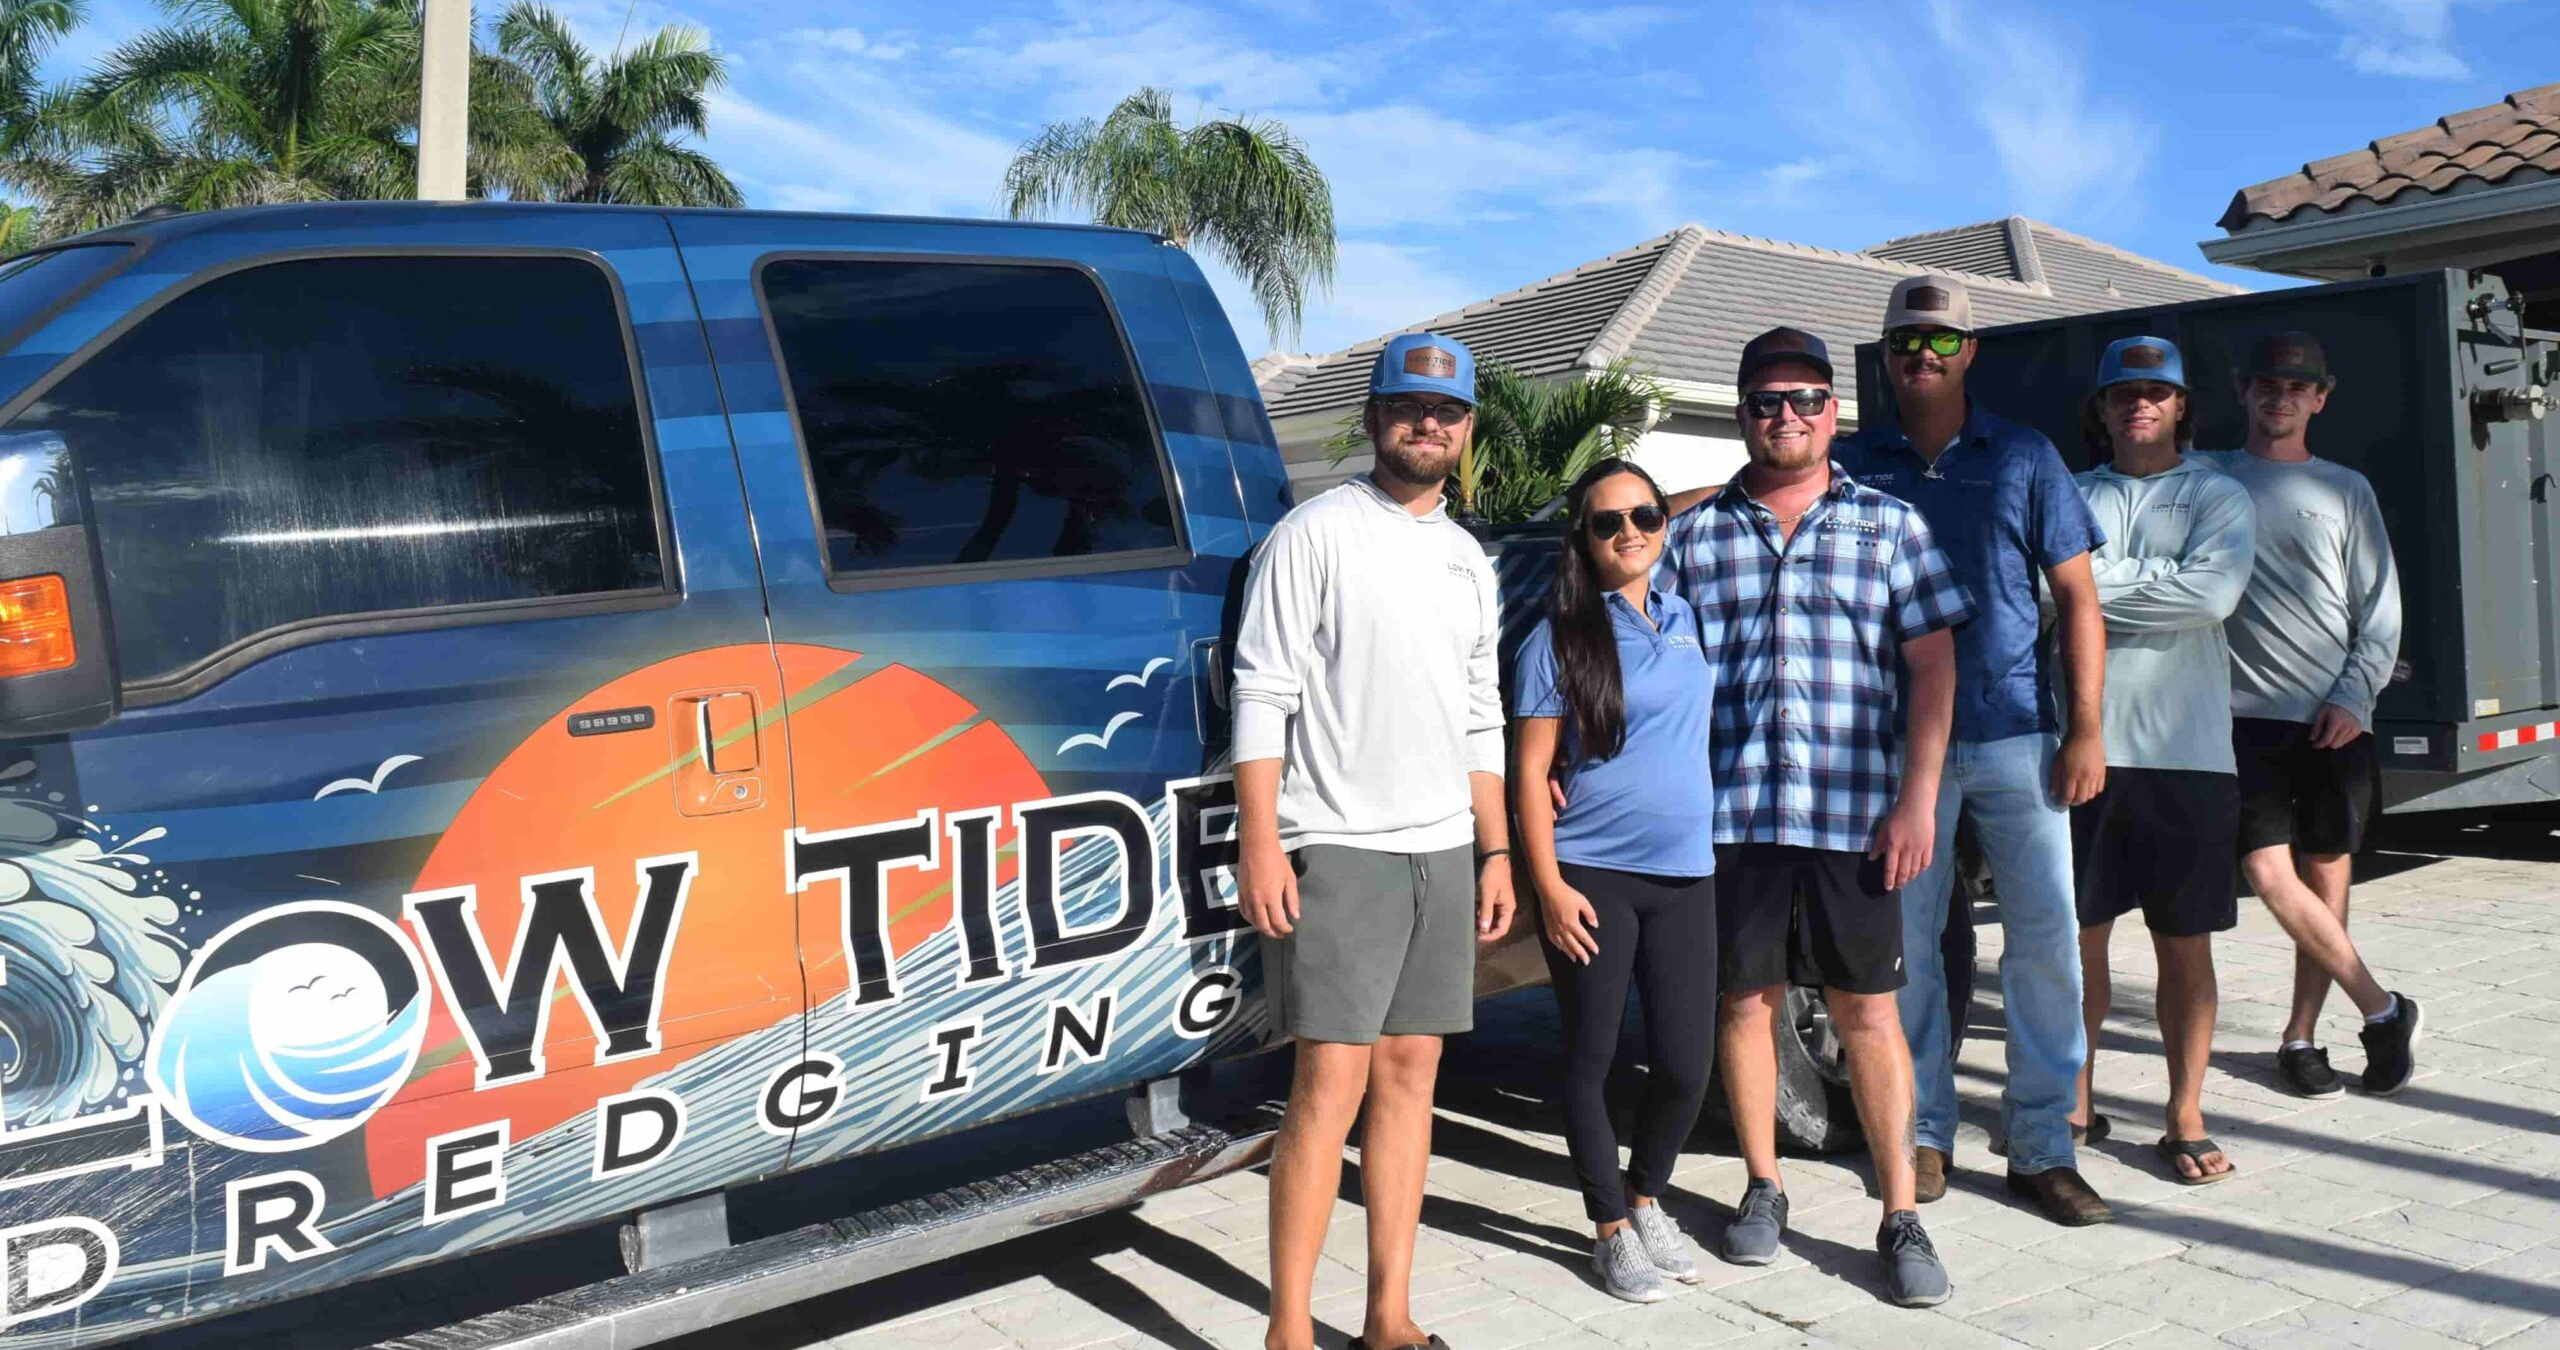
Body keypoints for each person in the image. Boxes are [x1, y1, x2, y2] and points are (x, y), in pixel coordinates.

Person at [1661, 326, 1967, 1307]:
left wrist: (1917, 797)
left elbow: (1931, 668)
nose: (1784, 416)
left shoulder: (1890, 527)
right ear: (1744, 414)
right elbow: (1646, 663)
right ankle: (1762, 1185)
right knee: (1742, 1004)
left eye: (1803, 399)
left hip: (1854, 818)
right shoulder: (1694, 538)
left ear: (1834, 412)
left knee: (1867, 1012)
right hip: (1732, 816)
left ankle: (1897, 1212)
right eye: (1764, 402)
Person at [1230, 331, 1517, 1350]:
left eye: (1444, 413)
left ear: (1466, 429)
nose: (1425, 425)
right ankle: (1288, 1331)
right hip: (1336, 844)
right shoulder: (1314, 535)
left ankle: (1389, 1316)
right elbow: (1260, 687)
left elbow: (1482, 712)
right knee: (1329, 1083)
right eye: (1406, 408)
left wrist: (1493, 849)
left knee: (1411, 1077)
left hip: (1443, 849)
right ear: (1373, 417)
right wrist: (1260, 842)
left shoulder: (1465, 560)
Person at [1837, 273, 2114, 1227]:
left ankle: (2042, 1145)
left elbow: (2078, 599)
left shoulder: (2026, 457)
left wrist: (2085, 729)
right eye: (1907, 344)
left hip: (2015, 736)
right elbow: (1758, 492)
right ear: (1886, 357)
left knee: (2043, 947)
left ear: (1971, 352)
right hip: (1894, 748)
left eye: (1942, 342)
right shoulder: (1852, 460)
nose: (1924, 356)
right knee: (1905, 949)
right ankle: (1924, 1136)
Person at [1512, 458, 1719, 1304]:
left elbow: (1711, 496)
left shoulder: (1686, 617)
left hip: (1687, 874)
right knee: (1593, 1057)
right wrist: (1549, 887)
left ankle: (1646, 1198)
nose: (1629, 531)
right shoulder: (1556, 639)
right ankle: (1609, 1228)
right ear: (1583, 540)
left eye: (1646, 515)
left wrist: (1700, 491)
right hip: (1591, 874)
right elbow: (1527, 774)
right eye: (1607, 522)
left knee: (1684, 1066)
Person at [2192, 332, 2421, 1097]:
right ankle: (2382, 1007)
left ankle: (2300, 1039)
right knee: (2266, 870)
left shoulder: (2346, 488)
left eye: (2297, 386)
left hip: (2333, 720)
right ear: (2242, 389)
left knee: (2326, 882)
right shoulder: (2207, 477)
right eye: (2266, 383)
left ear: (2320, 398)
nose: (2280, 395)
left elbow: (2378, 609)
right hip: (2236, 719)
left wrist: (2355, 697)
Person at [2067, 338, 2256, 1185]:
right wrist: (2153, 580)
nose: (2138, 404)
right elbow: (2040, 589)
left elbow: (2213, 596)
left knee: (2185, 946)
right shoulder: (2069, 495)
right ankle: (2074, 1097)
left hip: (2188, 755)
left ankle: (2184, 1113)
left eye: (2156, 392)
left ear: (2182, 405)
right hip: (2085, 743)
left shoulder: (2220, 494)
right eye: (2122, 394)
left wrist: (2093, 586)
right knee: (2079, 940)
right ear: (2102, 411)